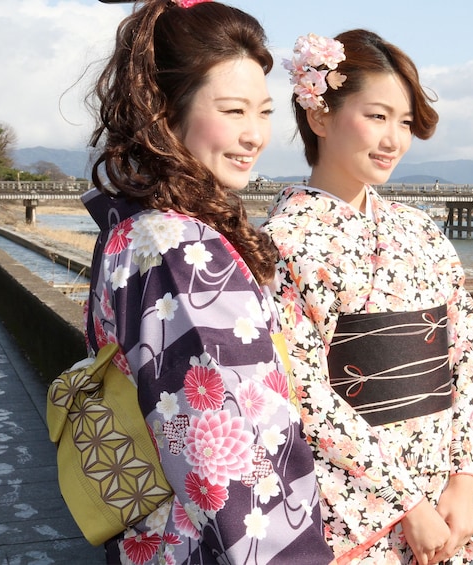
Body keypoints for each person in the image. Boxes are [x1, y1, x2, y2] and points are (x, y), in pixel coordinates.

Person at [82, 1, 334, 563]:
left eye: (264, 112)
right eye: (233, 110)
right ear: (165, 111)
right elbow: (227, 460)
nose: (254, 135)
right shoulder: (181, 249)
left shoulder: (135, 227)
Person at [263, 29, 473, 564]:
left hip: (443, 496)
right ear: (320, 115)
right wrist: (406, 505)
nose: (394, 140)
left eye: (403, 122)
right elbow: (301, 391)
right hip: (353, 507)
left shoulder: (423, 232)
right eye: (377, 116)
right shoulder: (283, 243)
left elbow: (461, 364)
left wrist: (462, 485)